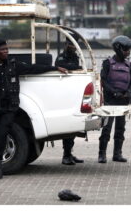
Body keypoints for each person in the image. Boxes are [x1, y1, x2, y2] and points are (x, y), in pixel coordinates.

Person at [0, 39, 67, 179]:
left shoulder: (14, 66)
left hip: (10, 108)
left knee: (2, 133)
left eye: (7, 49)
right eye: (3, 50)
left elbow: (34, 68)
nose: (6, 52)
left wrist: (54, 68)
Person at [98, 35, 131, 163]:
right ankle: (102, 154)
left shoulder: (129, 65)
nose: (128, 52)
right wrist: (114, 93)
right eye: (126, 49)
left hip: (123, 101)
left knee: (120, 128)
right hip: (110, 101)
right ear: (118, 49)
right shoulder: (108, 63)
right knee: (107, 127)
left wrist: (128, 93)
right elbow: (103, 80)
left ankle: (117, 154)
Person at [55, 32, 84, 165]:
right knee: (67, 127)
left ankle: (69, 153)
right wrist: (76, 67)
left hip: (73, 93)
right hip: (63, 94)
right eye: (71, 44)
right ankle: (66, 155)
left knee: (73, 128)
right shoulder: (62, 57)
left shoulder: (74, 56)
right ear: (66, 44)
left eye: (74, 45)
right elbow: (65, 67)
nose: (73, 47)